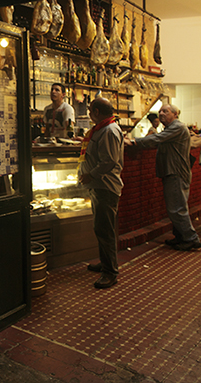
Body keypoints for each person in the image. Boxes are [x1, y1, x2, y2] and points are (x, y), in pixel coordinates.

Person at [125, 104, 201, 251]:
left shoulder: (177, 127)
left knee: (177, 208)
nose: (161, 114)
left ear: (175, 114)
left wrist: (134, 141)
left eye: (165, 111)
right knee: (176, 206)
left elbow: (157, 139)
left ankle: (191, 239)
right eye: (160, 111)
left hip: (176, 172)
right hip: (172, 172)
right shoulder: (171, 128)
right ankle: (180, 237)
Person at [78, 98, 124, 289]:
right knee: (101, 228)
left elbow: (109, 161)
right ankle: (106, 263)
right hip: (99, 186)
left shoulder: (109, 130)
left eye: (90, 110)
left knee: (105, 230)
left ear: (96, 111)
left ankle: (110, 272)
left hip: (106, 186)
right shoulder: (102, 128)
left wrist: (90, 175)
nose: (89, 113)